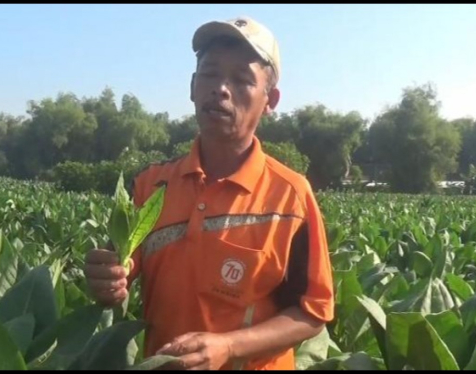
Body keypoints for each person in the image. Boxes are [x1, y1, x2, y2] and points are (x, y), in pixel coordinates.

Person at [83, 16, 334, 370]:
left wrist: (229, 347)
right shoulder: (151, 185)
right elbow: (120, 275)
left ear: (270, 100)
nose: (221, 88)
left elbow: (313, 312)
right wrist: (106, 280)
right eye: (211, 74)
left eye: (242, 79)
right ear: (192, 87)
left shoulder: (290, 196)